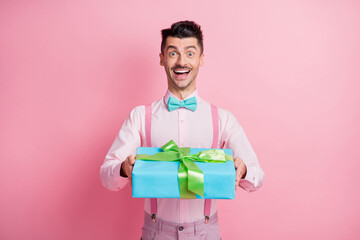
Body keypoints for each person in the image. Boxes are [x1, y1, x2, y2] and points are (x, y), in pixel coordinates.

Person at [100, 20, 265, 240]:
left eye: (189, 53)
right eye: (173, 53)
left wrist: (243, 170)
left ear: (201, 59)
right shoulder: (140, 116)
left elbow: (258, 176)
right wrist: (123, 168)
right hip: (155, 232)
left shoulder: (223, 119)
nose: (181, 62)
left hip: (206, 233)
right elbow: (106, 175)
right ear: (162, 59)